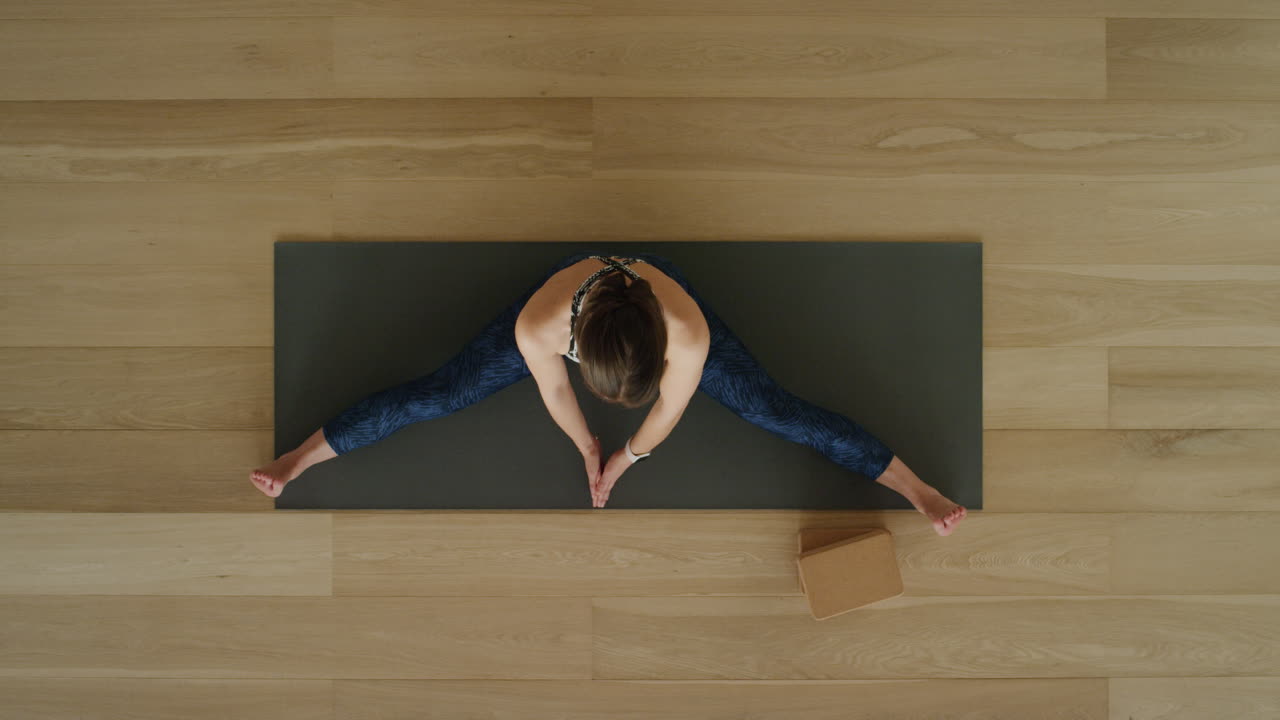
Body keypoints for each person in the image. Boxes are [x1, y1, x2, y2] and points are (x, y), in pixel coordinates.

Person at [251, 250, 967, 536]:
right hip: (579, 315)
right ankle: (300, 458)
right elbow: (557, 397)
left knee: (771, 408)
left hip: (644, 318)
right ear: (575, 343)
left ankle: (916, 487)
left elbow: (668, 413)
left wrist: (624, 457)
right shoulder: (537, 325)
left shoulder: (687, 333)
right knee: (441, 393)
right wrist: (587, 442)